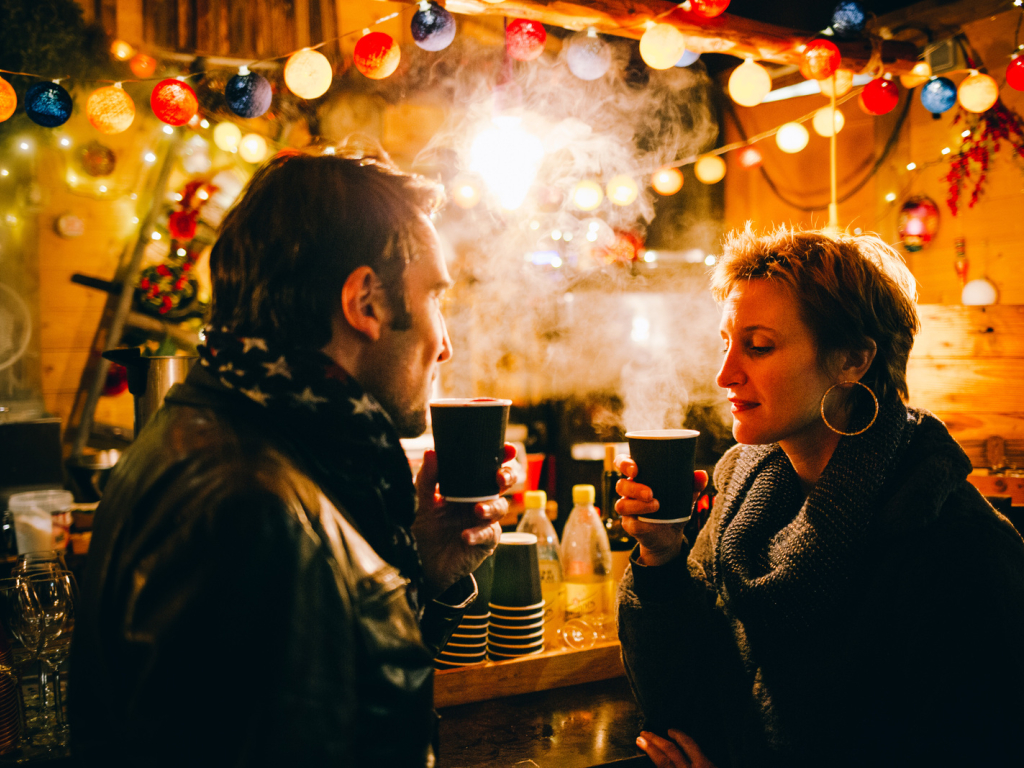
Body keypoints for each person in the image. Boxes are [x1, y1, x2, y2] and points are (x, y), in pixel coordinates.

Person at [70, 151, 516, 766]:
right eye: (436, 299)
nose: (445, 345)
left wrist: (417, 569)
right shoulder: (252, 509)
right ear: (366, 303)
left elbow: (342, 693)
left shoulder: (235, 431)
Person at [615, 227, 1024, 768]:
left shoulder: (960, 548)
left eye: (758, 347)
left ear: (852, 360)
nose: (724, 374)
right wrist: (663, 558)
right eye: (726, 343)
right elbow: (677, 704)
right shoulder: (742, 495)